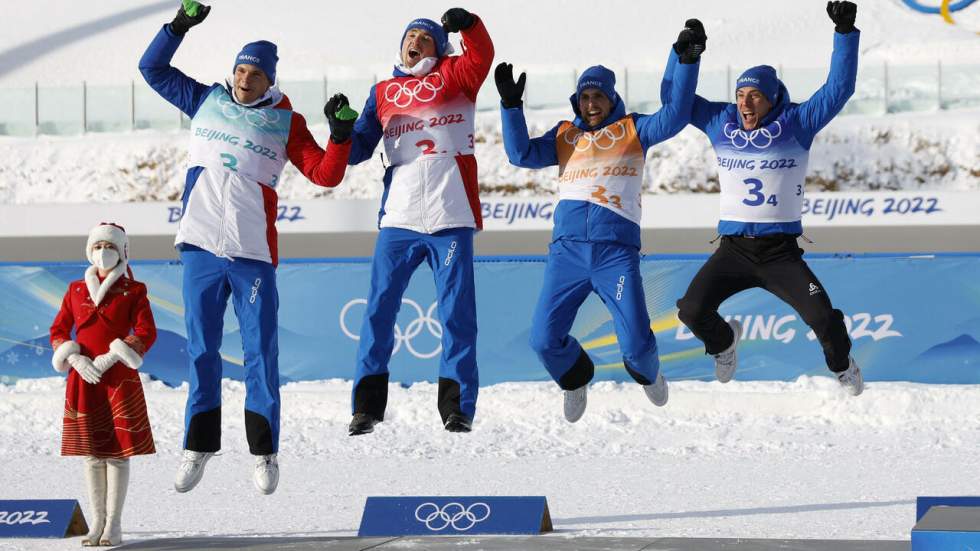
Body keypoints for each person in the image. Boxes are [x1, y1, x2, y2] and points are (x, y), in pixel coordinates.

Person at [138, 0, 356, 494]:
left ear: (269, 79)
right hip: (198, 248)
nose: (242, 79)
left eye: (253, 73)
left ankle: (264, 451)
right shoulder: (206, 100)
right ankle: (199, 445)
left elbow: (326, 173)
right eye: (238, 69)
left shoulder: (287, 122)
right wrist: (178, 27)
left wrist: (340, 136)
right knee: (202, 351)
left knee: (261, 352)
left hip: (252, 254)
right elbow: (151, 68)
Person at [496, 23, 705, 422]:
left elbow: (676, 115)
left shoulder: (633, 130)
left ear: (612, 99)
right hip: (567, 253)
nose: (591, 103)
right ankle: (576, 379)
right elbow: (520, 154)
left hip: (615, 254)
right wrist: (510, 106)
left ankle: (649, 373)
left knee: (637, 347)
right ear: (577, 101)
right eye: (585, 96)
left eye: (599, 97)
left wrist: (685, 60)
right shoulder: (564, 136)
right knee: (543, 340)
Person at [671, 2, 864, 395]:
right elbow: (674, 102)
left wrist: (845, 34)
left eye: (754, 96)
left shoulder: (798, 122)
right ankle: (724, 343)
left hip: (780, 254)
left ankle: (843, 366)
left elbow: (839, 89)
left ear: (772, 98)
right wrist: (686, 59)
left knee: (824, 320)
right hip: (733, 251)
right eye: (740, 94)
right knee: (691, 310)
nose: (744, 103)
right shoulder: (720, 121)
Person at [344, 8, 494, 436]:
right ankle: (367, 407)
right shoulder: (383, 91)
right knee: (378, 312)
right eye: (410, 36)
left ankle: (457, 407)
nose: (416, 42)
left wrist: (468, 24)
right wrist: (340, 131)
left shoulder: (458, 75)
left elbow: (482, 54)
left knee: (457, 315)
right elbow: (356, 149)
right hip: (400, 217)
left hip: (452, 213)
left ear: (439, 47)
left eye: (425, 38)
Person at [50, 223, 157, 547]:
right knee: (92, 454)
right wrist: (73, 358)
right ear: (89, 251)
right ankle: (96, 523)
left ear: (121, 251)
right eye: (97, 246)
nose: (102, 252)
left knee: (117, 453)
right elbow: (58, 330)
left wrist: (114, 356)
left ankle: (114, 525)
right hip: (84, 378)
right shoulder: (75, 290)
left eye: (108, 246)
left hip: (117, 378)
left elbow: (146, 331)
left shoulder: (134, 290)